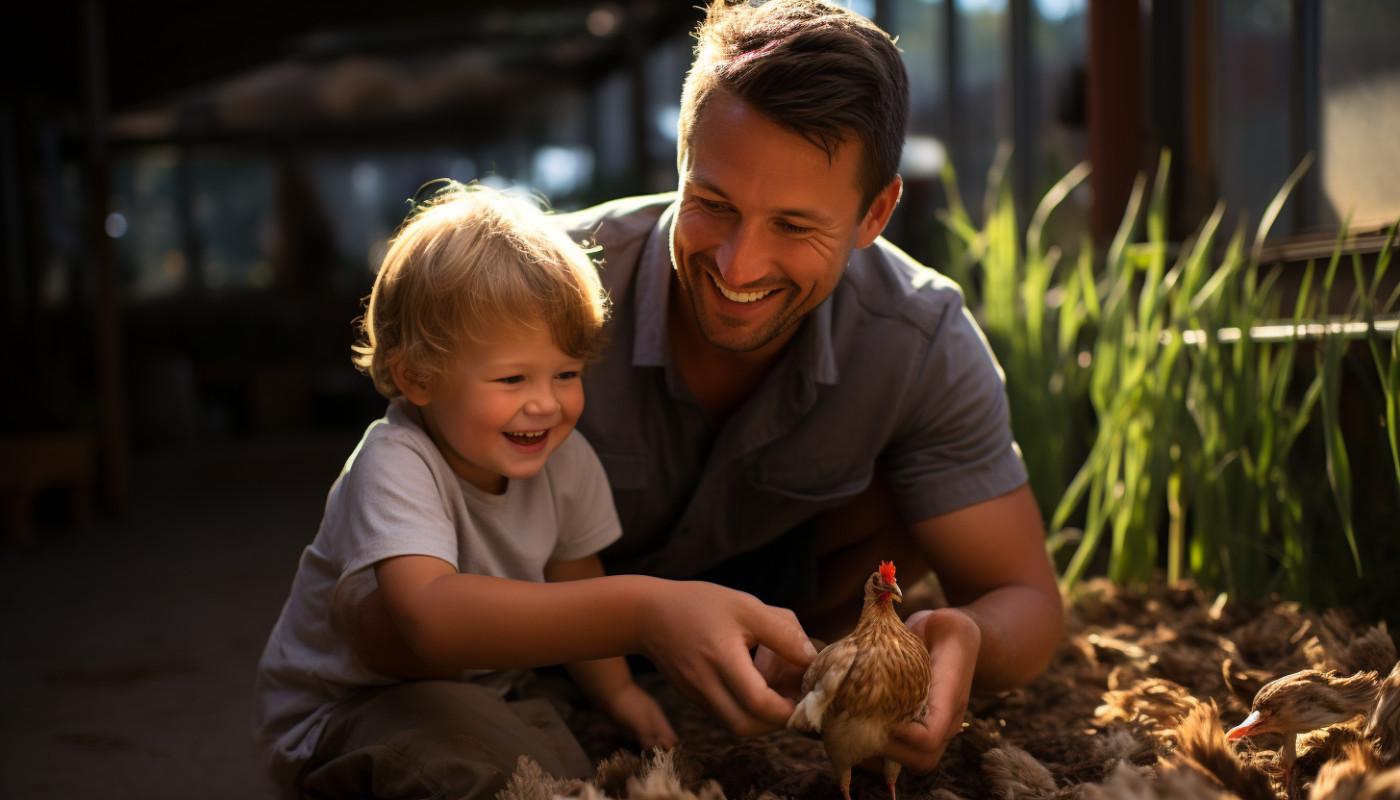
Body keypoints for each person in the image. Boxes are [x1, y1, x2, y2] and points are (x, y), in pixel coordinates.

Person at [553, 0, 1066, 775]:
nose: (737, 265)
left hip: (795, 650)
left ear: (875, 214)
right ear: (681, 162)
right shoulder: (538, 289)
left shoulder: (919, 342)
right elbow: (396, 581)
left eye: (793, 227)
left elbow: (1022, 600)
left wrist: (964, 637)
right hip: (537, 651)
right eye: (713, 204)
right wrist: (634, 619)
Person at [252, 183, 816, 800]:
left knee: (557, 763)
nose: (546, 403)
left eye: (566, 374)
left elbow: (577, 578)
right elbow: (429, 618)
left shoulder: (564, 460)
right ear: (417, 377)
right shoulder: (395, 461)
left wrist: (619, 693)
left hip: (485, 686)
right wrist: (639, 613)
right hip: (350, 707)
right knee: (464, 768)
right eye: (512, 378)